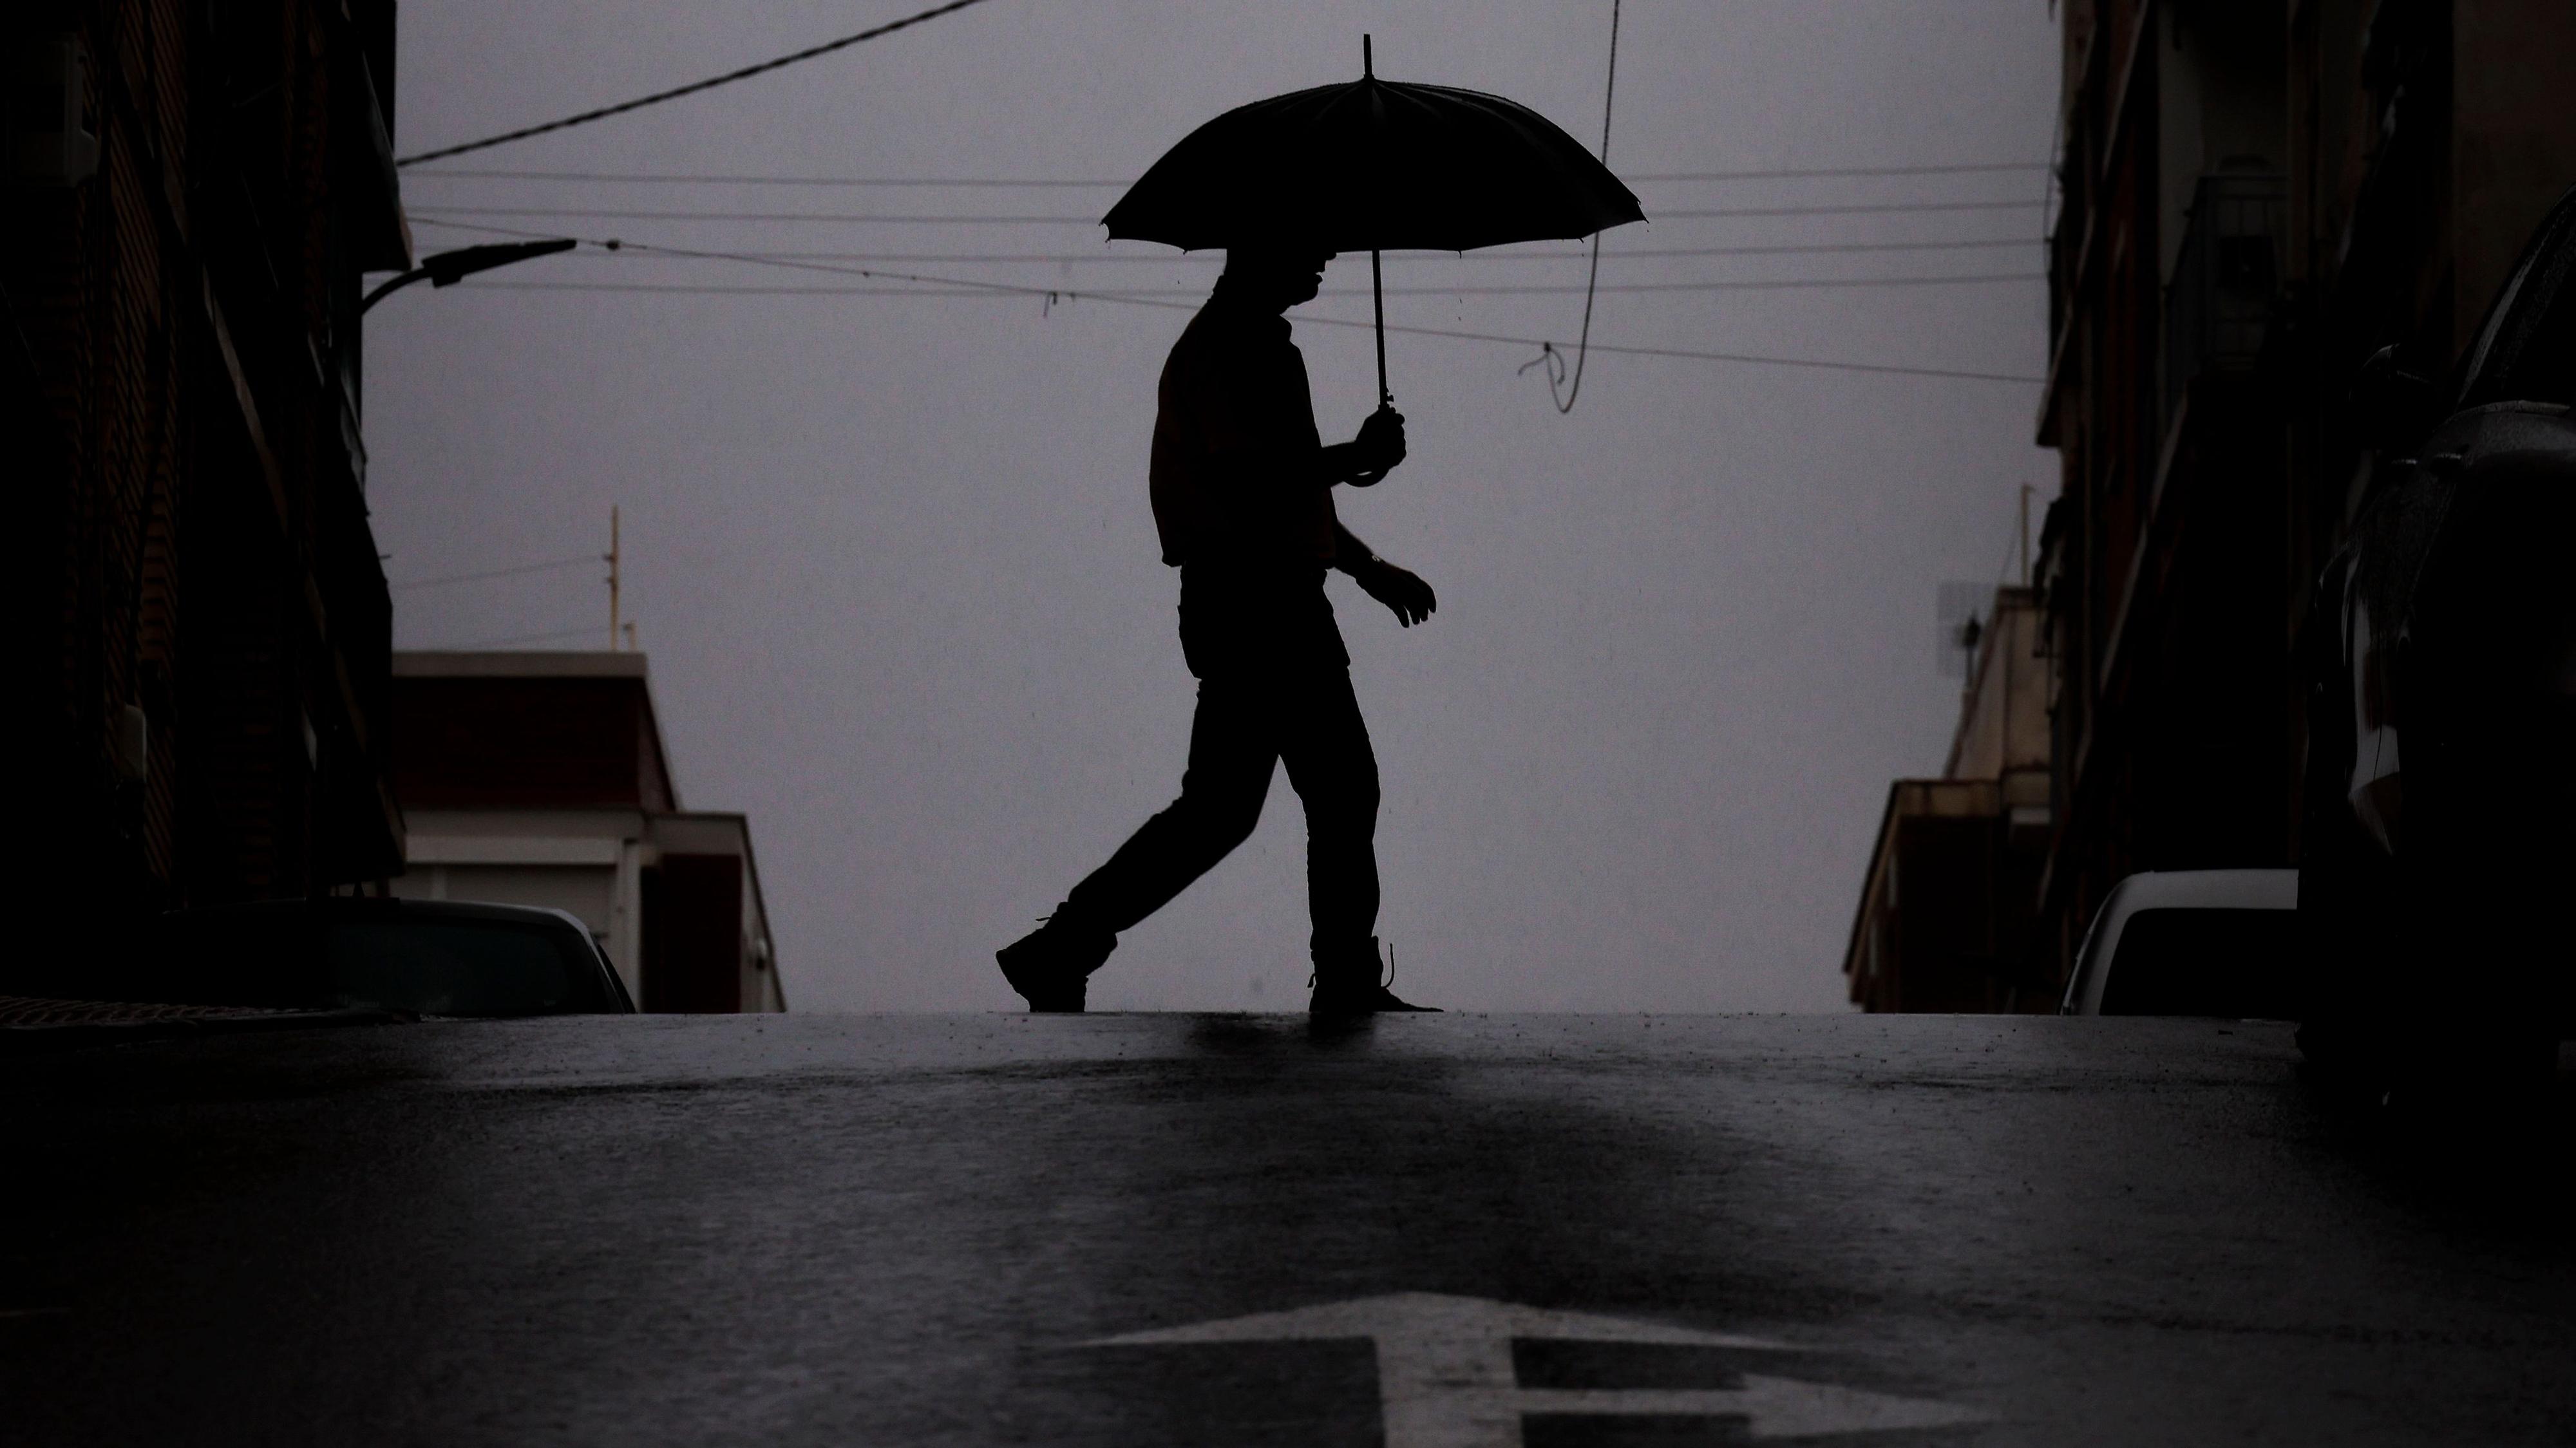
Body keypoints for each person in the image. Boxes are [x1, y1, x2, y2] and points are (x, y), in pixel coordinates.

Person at [996, 240, 1440, 1016]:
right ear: (1260, 248)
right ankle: (1344, 976)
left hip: (1256, 602)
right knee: (1333, 789)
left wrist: (1364, 560)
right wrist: (1350, 458)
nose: (1326, 256)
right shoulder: (1227, 349)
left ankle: (1062, 947)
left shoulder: (1250, 344)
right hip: (1260, 605)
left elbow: (1282, 490)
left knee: (1222, 811)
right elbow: (1252, 480)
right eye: (1308, 240)